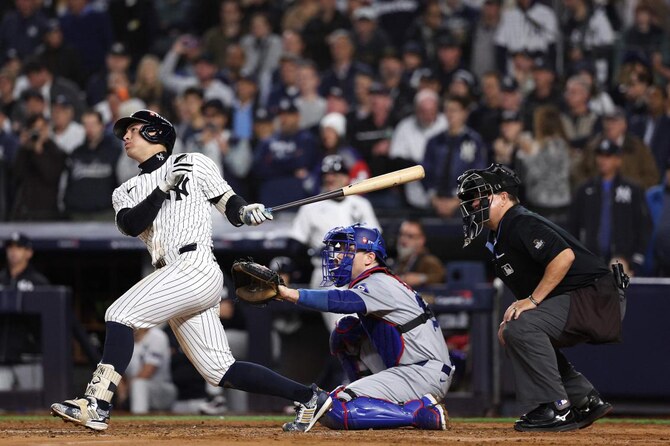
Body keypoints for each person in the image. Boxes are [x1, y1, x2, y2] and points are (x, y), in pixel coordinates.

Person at [50, 109, 331, 432]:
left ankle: (96, 403)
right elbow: (131, 225)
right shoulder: (124, 190)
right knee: (220, 370)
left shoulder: (193, 162)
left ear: (156, 134)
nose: (125, 137)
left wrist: (247, 211)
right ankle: (309, 396)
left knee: (119, 314)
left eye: (134, 130)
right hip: (172, 275)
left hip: (194, 265)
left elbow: (230, 206)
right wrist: (161, 189)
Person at [456, 163, 626, 432]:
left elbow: (564, 257)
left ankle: (556, 406)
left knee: (521, 329)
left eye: (479, 197)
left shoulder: (519, 220)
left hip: (594, 296)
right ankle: (584, 399)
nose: (473, 204)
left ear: (503, 198)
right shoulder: (500, 233)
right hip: (585, 296)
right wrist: (519, 313)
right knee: (517, 329)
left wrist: (531, 303)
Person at [276, 223, 451, 431]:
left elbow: (340, 301)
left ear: (369, 258)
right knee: (346, 332)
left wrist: (290, 293)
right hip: (414, 367)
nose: (338, 256)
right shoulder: (379, 280)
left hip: (422, 373)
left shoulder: (378, 281)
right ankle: (368, 398)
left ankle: (420, 413)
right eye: (339, 249)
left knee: (335, 409)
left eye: (348, 250)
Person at [568, 140, 652, 277]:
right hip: (590, 259)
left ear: (618, 160)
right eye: (600, 156)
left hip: (622, 260)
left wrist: (636, 259)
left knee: (620, 292)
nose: (602, 160)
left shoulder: (632, 190)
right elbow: (573, 226)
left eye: (608, 156)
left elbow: (644, 225)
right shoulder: (584, 190)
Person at [0, 233, 50, 391]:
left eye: (19, 248)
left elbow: (48, 322)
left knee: (34, 406)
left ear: (29, 252)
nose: (14, 252)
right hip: (2, 358)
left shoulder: (38, 282)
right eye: (11, 248)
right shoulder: (1, 280)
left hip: (30, 357)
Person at [116, 327, 177, 414]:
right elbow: (118, 370)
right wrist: (122, 392)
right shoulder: (124, 339)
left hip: (161, 390)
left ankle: (139, 419)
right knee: (135, 385)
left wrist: (126, 391)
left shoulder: (157, 336)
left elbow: (147, 372)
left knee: (139, 383)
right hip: (134, 390)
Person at [391, 219, 445, 289]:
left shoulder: (428, 260)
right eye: (401, 235)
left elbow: (441, 276)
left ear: (421, 240)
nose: (403, 239)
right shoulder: (397, 260)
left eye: (410, 236)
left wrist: (421, 278)